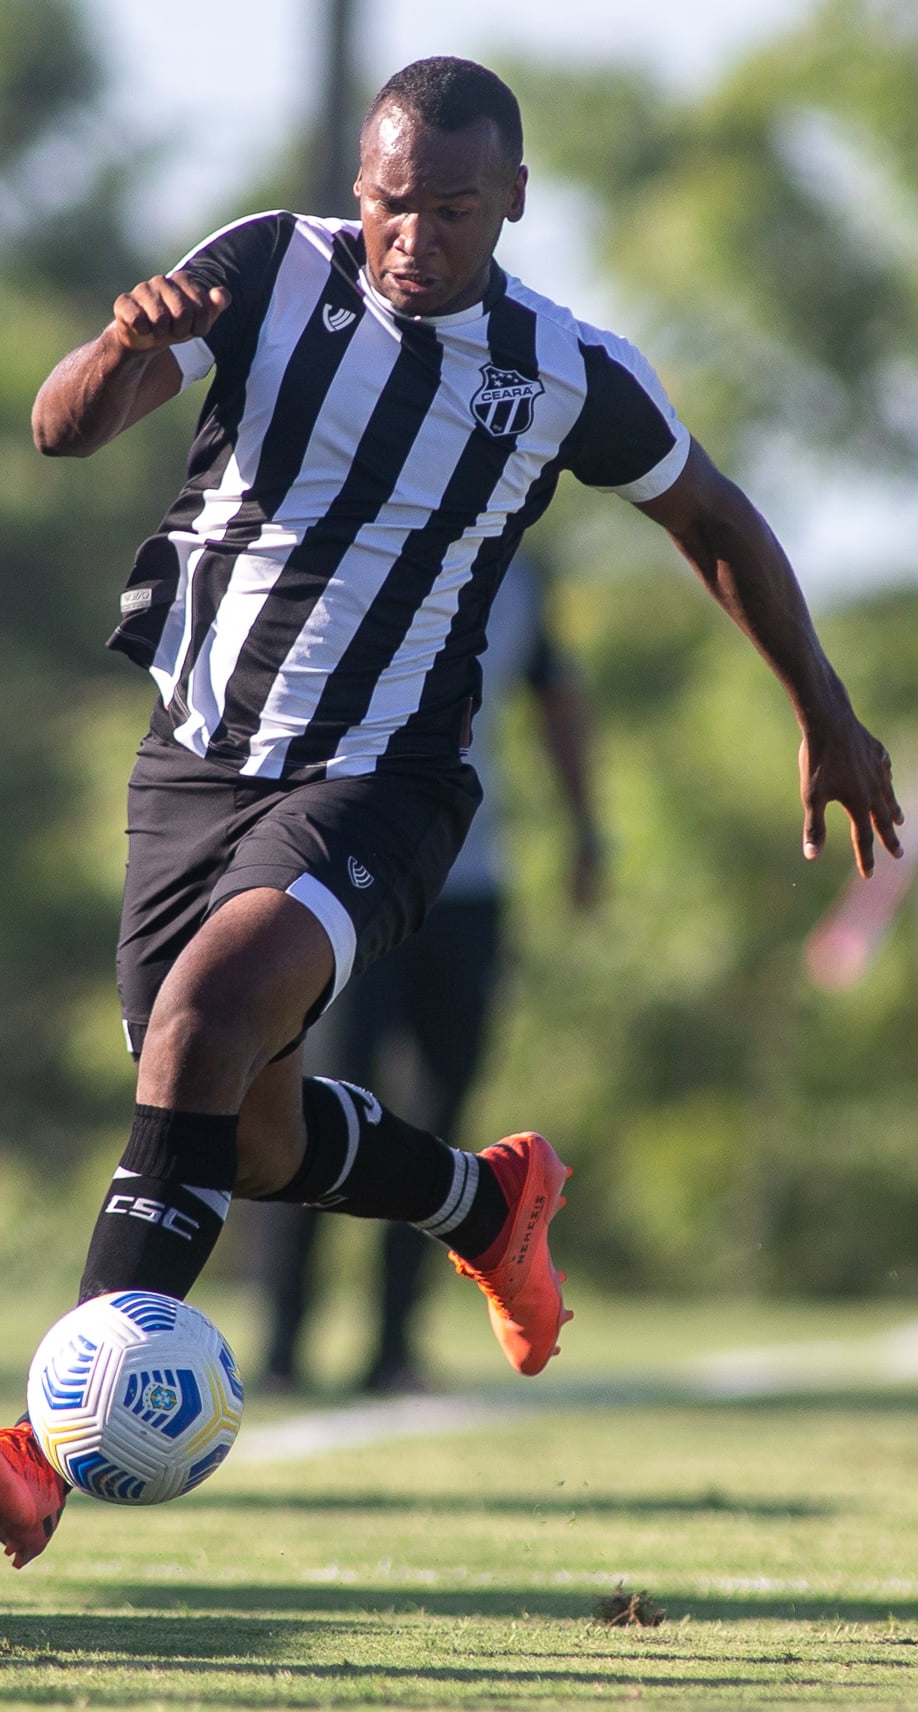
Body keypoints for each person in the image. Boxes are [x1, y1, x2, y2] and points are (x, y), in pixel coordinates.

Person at [0, 56, 903, 1568]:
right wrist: (125, 343)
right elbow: (62, 429)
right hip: (195, 764)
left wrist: (824, 711)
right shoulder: (267, 268)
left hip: (386, 778)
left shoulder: (564, 370)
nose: (414, 239)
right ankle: (481, 1200)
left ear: (514, 198)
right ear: (356, 188)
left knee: (199, 1026)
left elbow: (712, 517)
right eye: (392, 204)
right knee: (245, 1139)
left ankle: (42, 1447)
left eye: (453, 209)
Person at [253, 548, 601, 1393]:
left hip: (469, 885)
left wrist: (585, 828)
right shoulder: (367, 544)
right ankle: (284, 1344)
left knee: (439, 1109)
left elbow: (554, 694)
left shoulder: (521, 576)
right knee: (317, 1098)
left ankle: (394, 1347)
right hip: (351, 877)